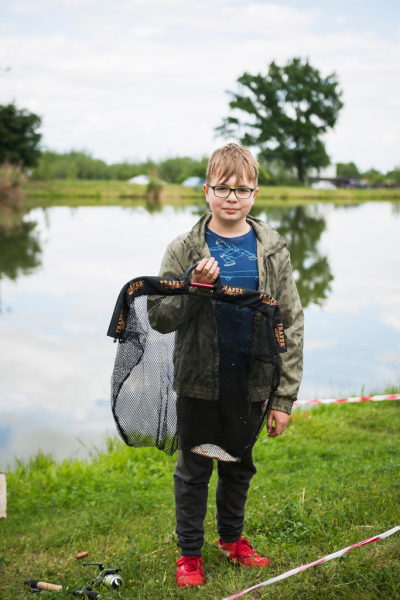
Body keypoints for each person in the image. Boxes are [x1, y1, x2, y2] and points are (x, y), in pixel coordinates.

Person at [157, 143, 304, 587]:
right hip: (199, 379)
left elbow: (290, 321)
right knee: (195, 469)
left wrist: (283, 397)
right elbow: (159, 317)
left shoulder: (273, 249)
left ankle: (231, 539)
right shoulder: (183, 248)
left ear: (255, 194)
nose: (232, 197)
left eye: (242, 189)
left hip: (253, 381)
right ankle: (189, 555)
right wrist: (195, 288)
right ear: (207, 191)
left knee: (239, 465)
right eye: (222, 188)